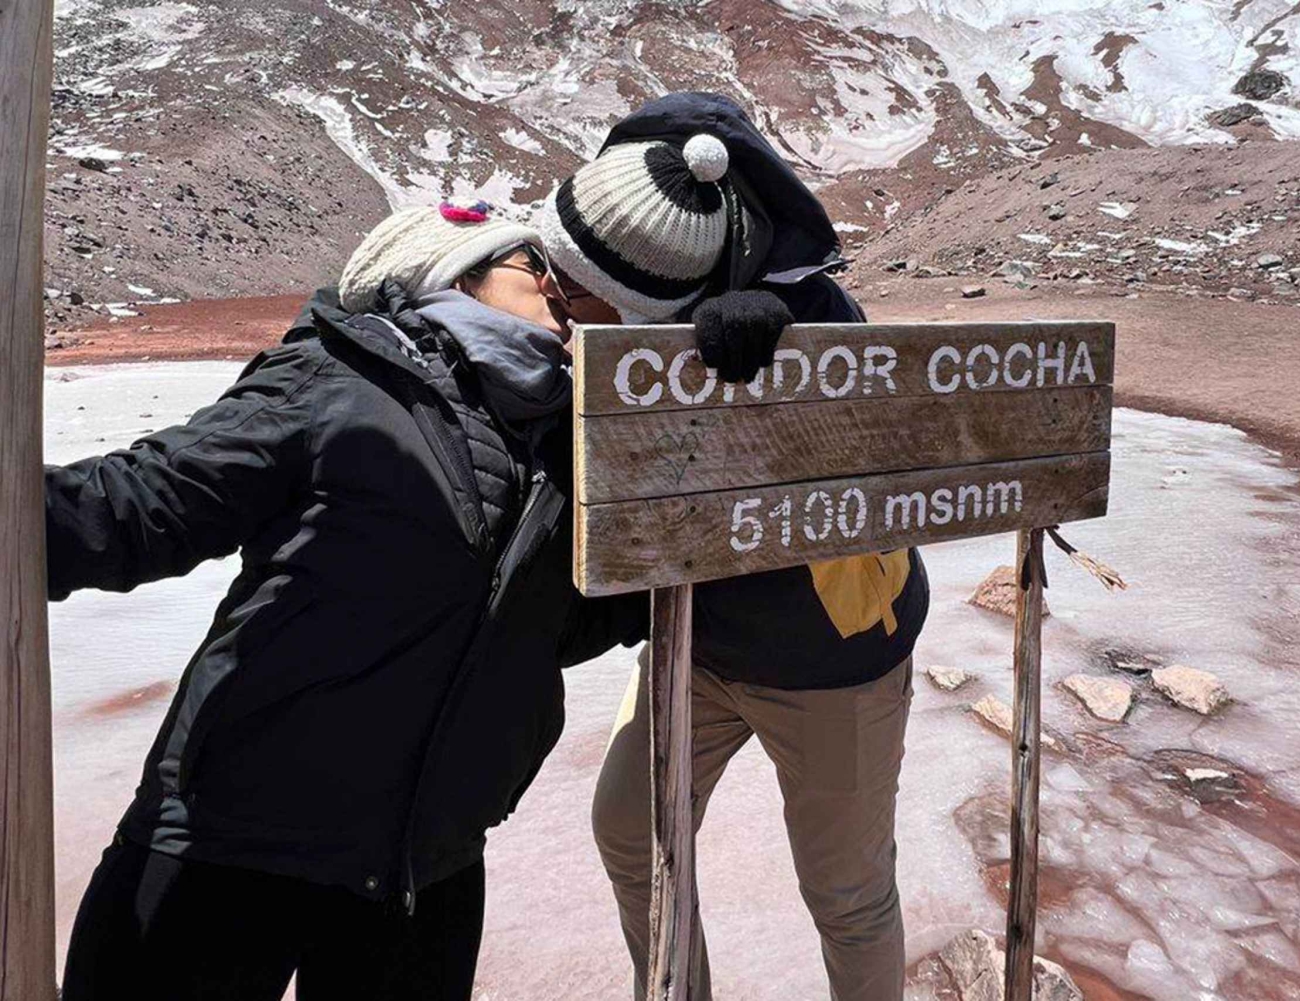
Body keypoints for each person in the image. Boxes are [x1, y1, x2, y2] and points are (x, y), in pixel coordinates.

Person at [50, 201, 647, 1000]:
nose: (552, 281)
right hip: (232, 846)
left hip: (421, 871)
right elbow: (145, 503)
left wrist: (669, 570)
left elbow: (549, 627)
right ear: (450, 273)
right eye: (526, 261)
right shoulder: (337, 382)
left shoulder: (556, 437)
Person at [536, 93, 930, 1001]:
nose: (566, 308)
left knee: (848, 892)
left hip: (835, 661)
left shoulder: (809, 303)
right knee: (631, 834)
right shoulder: (633, 304)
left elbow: (872, 439)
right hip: (697, 645)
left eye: (584, 294)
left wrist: (789, 353)